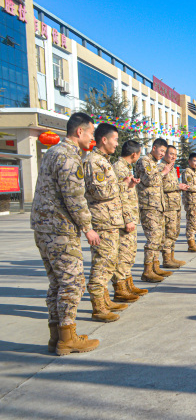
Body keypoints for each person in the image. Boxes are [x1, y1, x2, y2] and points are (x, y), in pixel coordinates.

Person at [31, 112, 100, 355]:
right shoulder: (69, 157)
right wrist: (88, 228)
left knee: (57, 283)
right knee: (72, 282)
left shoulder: (53, 152)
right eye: (91, 132)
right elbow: (74, 197)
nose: (92, 137)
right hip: (60, 228)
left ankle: (55, 335)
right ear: (79, 132)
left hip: (44, 227)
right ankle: (68, 337)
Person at [84, 123, 133, 323]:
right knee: (102, 264)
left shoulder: (104, 161)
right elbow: (100, 191)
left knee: (110, 262)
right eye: (115, 139)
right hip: (102, 221)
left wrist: (123, 185)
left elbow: (109, 189)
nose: (117, 144)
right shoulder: (94, 161)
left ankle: (105, 301)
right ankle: (98, 307)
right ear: (104, 139)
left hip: (111, 220)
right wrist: (122, 186)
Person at [113, 140, 152, 291]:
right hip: (124, 219)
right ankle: (121, 288)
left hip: (130, 216)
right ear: (134, 154)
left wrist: (131, 184)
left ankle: (128, 285)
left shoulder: (125, 168)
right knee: (123, 254)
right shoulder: (119, 168)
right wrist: (128, 219)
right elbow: (120, 196)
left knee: (129, 253)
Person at [135, 138, 173, 280]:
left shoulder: (154, 164)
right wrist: (163, 172)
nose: (163, 154)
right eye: (161, 151)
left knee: (159, 238)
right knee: (153, 238)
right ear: (154, 148)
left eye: (164, 151)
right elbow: (149, 180)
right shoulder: (144, 161)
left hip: (158, 206)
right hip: (148, 206)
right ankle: (147, 271)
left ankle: (155, 266)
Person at [160, 145, 189, 268]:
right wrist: (178, 186)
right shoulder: (161, 168)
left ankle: (171, 257)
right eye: (171, 154)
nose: (174, 157)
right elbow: (160, 185)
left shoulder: (171, 168)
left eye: (176, 155)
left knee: (174, 232)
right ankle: (166, 259)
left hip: (175, 205)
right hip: (168, 206)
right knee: (169, 232)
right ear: (165, 154)